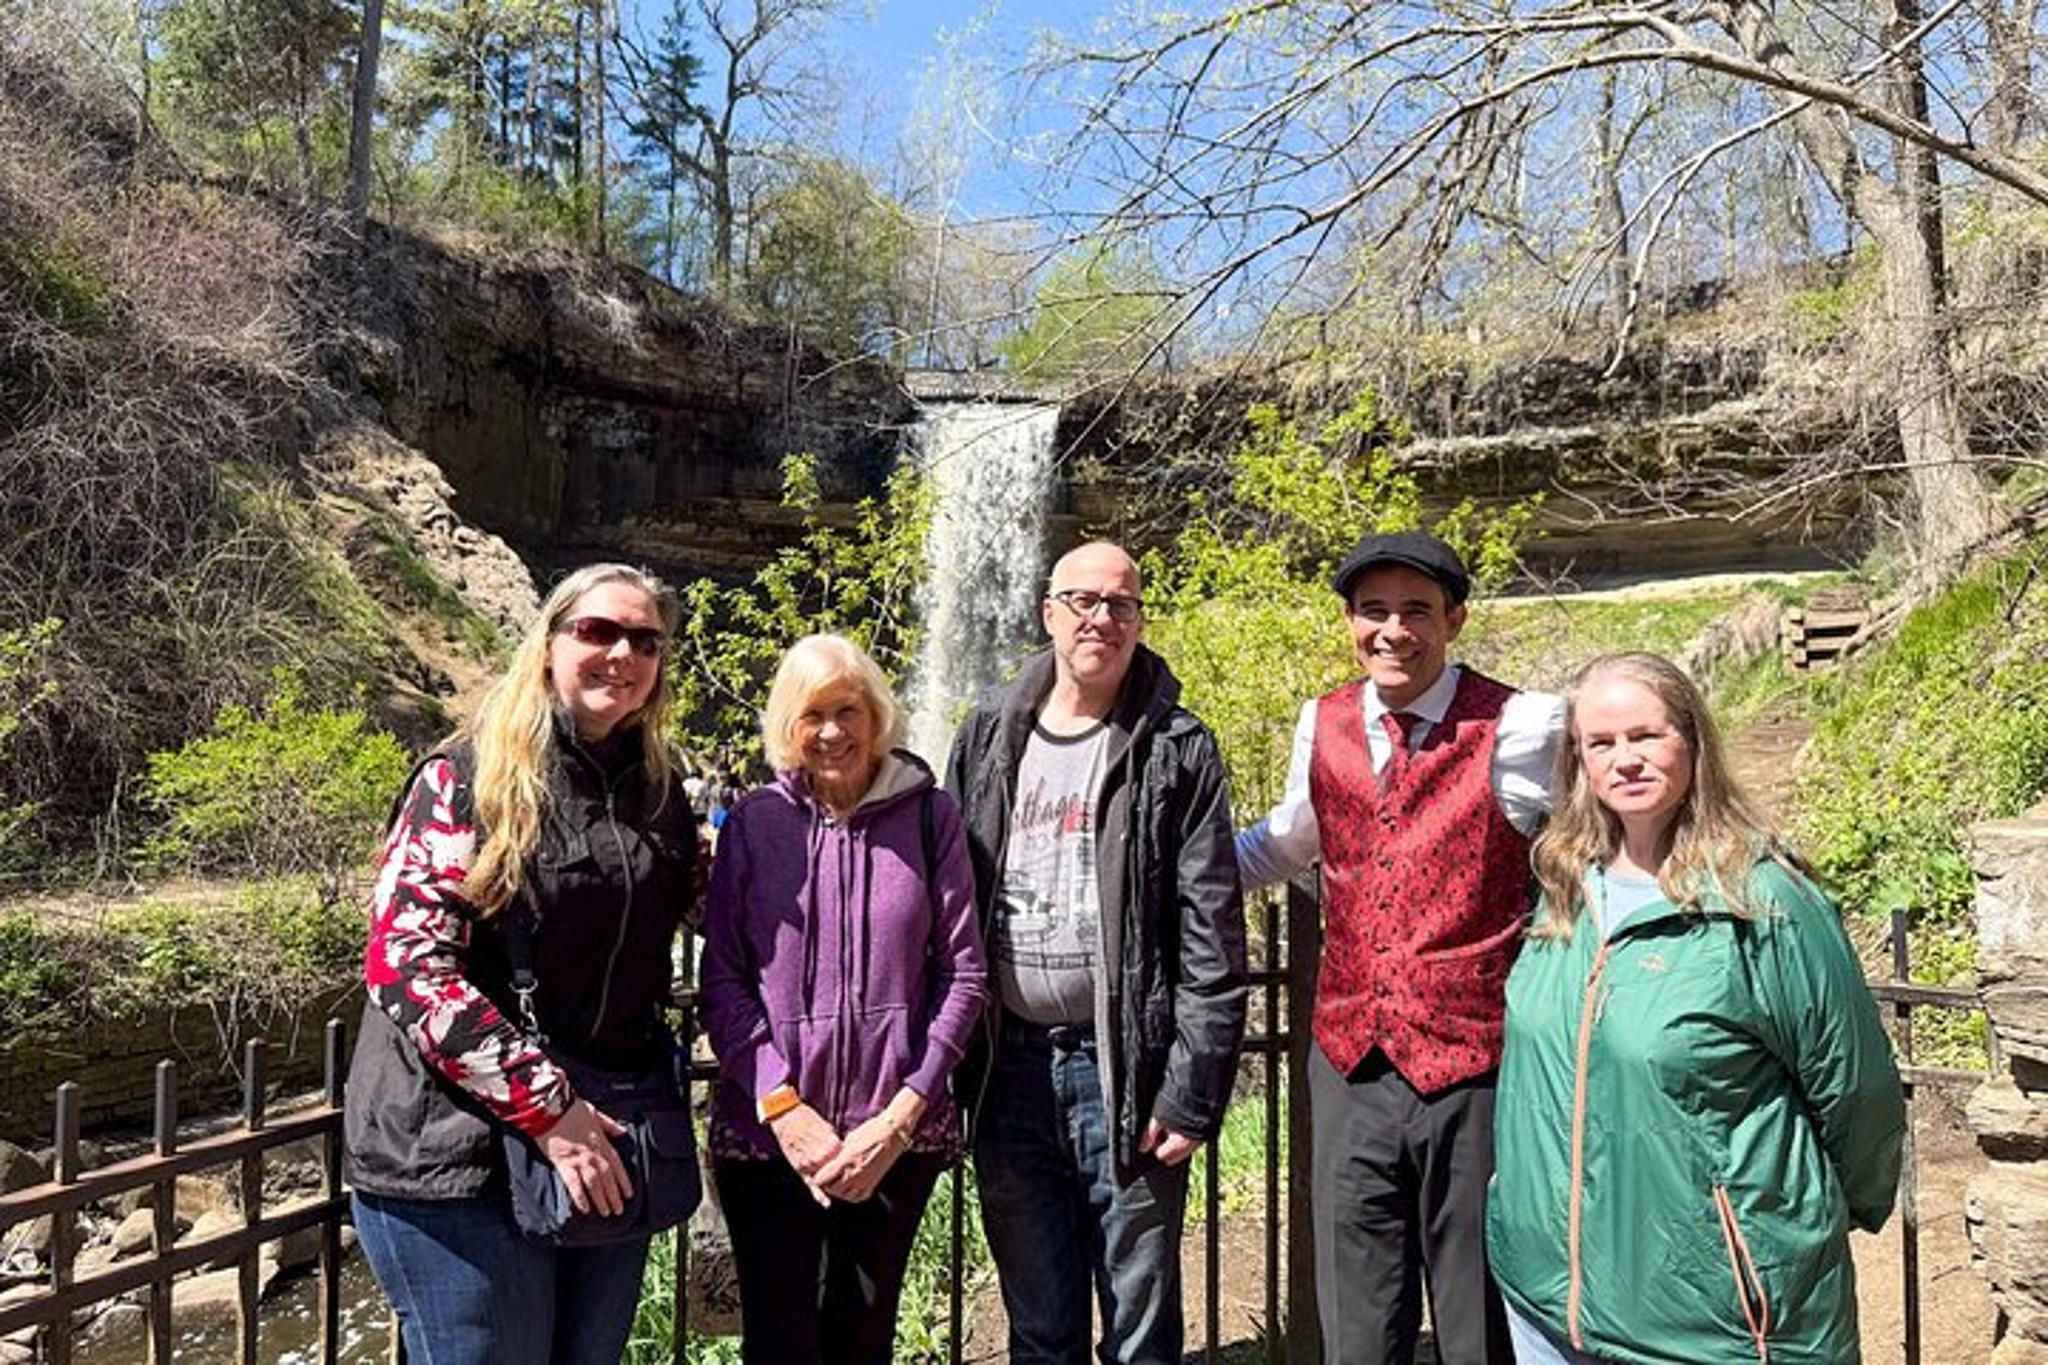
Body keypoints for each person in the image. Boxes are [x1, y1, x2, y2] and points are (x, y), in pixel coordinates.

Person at [1486, 652, 1905, 1363]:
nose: (1626, 760)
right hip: (1547, 1300)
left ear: (1693, 740)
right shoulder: (1561, 890)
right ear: (1577, 757)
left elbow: (1858, 1092)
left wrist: (1790, 1231)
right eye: (1602, 742)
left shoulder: (1763, 902)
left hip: (1709, 1319)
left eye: (1647, 735)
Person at [343, 563, 697, 1365]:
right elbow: (406, 966)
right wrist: (548, 1108)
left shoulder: (659, 792)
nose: (623, 653)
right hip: (452, 1155)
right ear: (547, 645)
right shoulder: (464, 777)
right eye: (598, 631)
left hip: (604, 1134)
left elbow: (734, 910)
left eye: (645, 640)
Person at [1235, 529, 1563, 1364]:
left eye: (1416, 610)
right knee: (1356, 1316)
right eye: (1373, 610)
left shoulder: (1521, 724)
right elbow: (1285, 842)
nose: (1393, 629)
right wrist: (1166, 879)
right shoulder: (1326, 722)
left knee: (1477, 1315)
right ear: (1349, 621)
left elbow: (1587, 851)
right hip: (1348, 1062)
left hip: (1477, 1063)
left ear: (1453, 619)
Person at [945, 540, 1249, 1365]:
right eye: (1082, 600)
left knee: (1141, 1328)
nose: (1100, 618)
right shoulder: (985, 733)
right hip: (1008, 1070)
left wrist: (1191, 1090)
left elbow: (1211, 928)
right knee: (1038, 1325)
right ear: (1048, 613)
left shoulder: (1177, 744)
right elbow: (948, 895)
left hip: (1129, 1069)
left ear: (1140, 619)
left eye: (1120, 603)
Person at [701, 633, 989, 1365]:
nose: (832, 731)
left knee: (863, 1337)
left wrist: (900, 1117)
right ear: (787, 726)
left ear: (877, 715)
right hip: (767, 1140)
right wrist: (783, 1106)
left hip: (894, 1139)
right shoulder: (754, 824)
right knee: (779, 1342)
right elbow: (723, 979)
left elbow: (964, 974)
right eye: (812, 713)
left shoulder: (931, 817)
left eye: (849, 710)